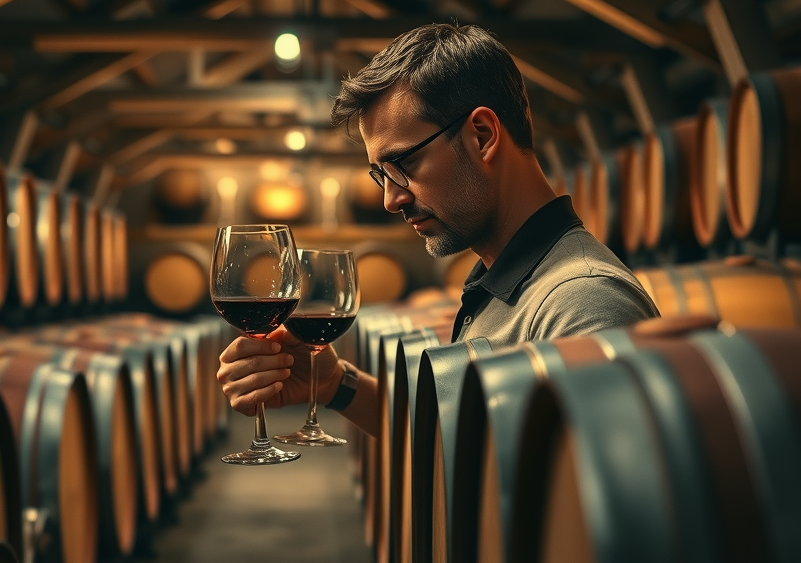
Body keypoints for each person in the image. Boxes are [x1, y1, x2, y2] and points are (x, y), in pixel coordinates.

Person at [216, 22, 659, 436]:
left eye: (404, 164)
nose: (392, 198)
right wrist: (335, 384)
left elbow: (578, 509)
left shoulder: (583, 305)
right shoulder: (509, 282)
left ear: (483, 135)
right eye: (381, 175)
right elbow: (468, 454)